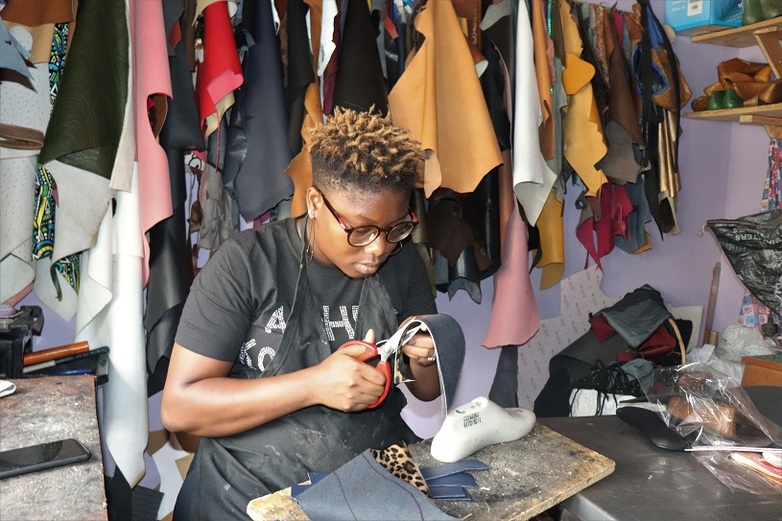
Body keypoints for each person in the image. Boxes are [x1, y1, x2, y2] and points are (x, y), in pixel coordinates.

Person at [161, 108, 442, 519]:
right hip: (250, 496)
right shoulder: (245, 265)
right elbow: (180, 408)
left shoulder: (404, 264)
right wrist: (315, 385)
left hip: (368, 486)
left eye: (395, 228)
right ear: (315, 202)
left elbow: (427, 391)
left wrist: (429, 356)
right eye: (360, 230)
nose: (378, 249)